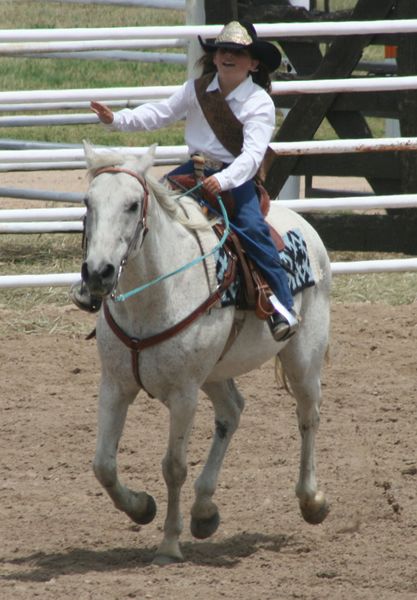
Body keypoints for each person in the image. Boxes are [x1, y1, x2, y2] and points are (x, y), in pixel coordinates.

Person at [71, 20, 299, 342]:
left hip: (234, 177)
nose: (227, 56)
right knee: (139, 211)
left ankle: (281, 305)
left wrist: (223, 179)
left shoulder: (259, 102)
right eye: (223, 50)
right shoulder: (196, 90)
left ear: (254, 62)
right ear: (215, 56)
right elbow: (159, 114)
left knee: (252, 229)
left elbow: (251, 157)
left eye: (237, 51)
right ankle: (97, 285)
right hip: (190, 171)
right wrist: (116, 119)